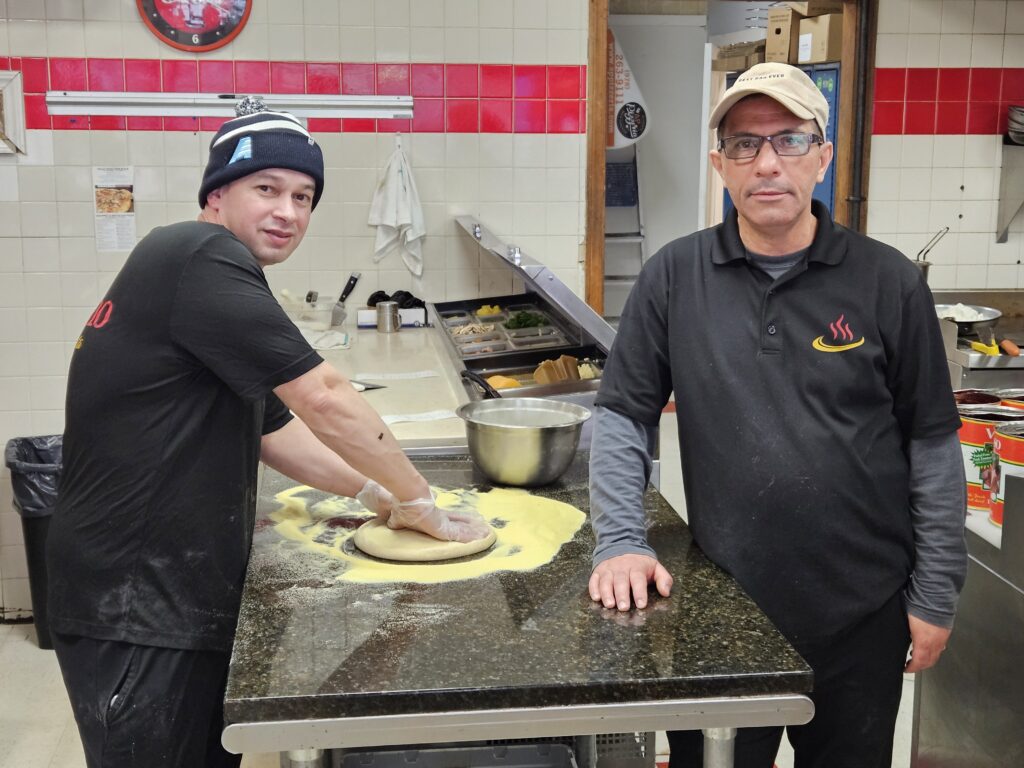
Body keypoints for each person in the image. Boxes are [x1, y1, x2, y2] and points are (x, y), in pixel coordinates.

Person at [46, 101, 489, 768]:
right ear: (217, 194)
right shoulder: (200, 254)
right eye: (267, 189)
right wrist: (421, 499)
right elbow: (324, 397)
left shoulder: (200, 269)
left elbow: (272, 431)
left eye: (304, 196)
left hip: (179, 592)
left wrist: (377, 493)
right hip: (135, 602)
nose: (288, 211)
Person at [587, 63, 967, 768]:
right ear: (719, 165)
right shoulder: (673, 277)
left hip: (864, 613)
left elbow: (933, 444)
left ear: (822, 157)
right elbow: (621, 416)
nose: (767, 163)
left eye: (789, 141)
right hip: (722, 611)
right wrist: (620, 540)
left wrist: (936, 595)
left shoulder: (889, 282)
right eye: (743, 144)